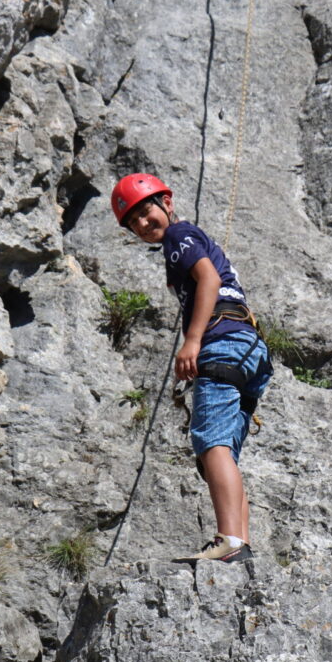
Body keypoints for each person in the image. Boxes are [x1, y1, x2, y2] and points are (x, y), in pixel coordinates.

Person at [111, 172, 272, 563]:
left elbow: (208, 280)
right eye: (133, 223)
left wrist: (193, 340)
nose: (142, 224)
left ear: (167, 202)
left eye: (146, 212)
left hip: (222, 341)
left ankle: (229, 540)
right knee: (221, 452)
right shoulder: (188, 236)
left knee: (211, 443)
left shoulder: (177, 237)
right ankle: (240, 544)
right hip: (248, 348)